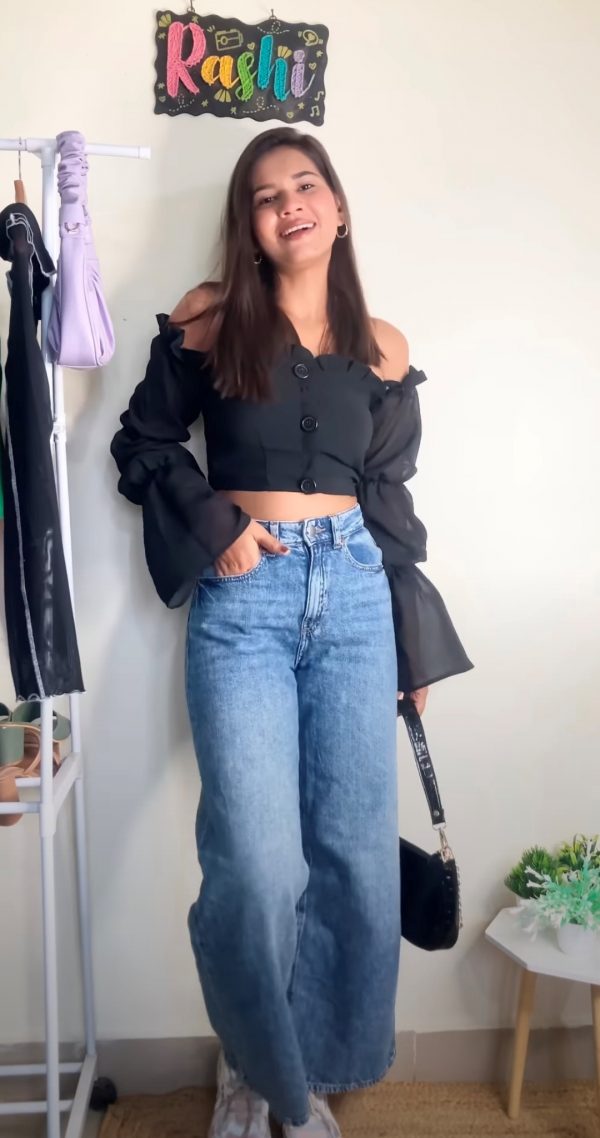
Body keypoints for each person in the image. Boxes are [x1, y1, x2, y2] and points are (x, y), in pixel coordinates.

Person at [110, 126, 472, 1138]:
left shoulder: (384, 347)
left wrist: (410, 643)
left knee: (353, 856)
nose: (288, 204)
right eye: (265, 196)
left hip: (355, 597)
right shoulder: (209, 319)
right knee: (258, 865)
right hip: (246, 608)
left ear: (338, 208)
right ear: (251, 225)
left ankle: (306, 1077)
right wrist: (218, 526)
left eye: (304, 185)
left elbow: (389, 502)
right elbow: (141, 440)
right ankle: (255, 1068)